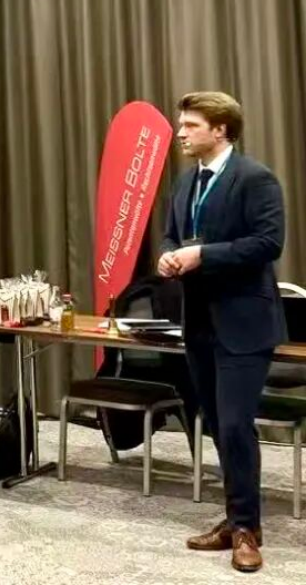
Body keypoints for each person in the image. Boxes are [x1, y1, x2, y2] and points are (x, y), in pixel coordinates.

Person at [156, 91, 284, 573]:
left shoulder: (255, 178)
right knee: (215, 424)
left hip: (244, 324)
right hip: (199, 323)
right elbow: (172, 234)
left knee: (234, 425)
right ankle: (235, 518)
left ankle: (247, 530)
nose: (181, 132)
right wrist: (168, 255)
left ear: (221, 130)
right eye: (181, 124)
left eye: (190, 125)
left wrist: (202, 255)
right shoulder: (185, 181)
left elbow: (268, 243)